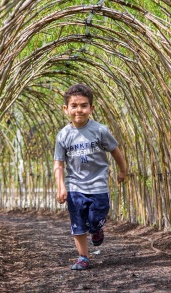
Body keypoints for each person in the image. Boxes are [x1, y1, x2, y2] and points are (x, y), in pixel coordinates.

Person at [53, 83, 127, 270]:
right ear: (66, 109)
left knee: (95, 218)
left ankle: (96, 229)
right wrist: (61, 186)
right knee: (77, 222)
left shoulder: (100, 130)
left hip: (98, 185)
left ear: (91, 108)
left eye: (84, 105)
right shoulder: (63, 135)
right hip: (75, 185)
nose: (79, 110)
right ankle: (83, 257)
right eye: (74, 106)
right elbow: (59, 164)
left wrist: (122, 170)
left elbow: (115, 151)